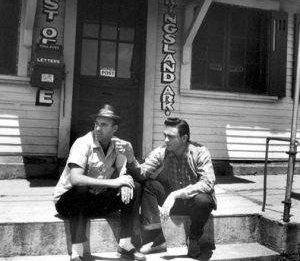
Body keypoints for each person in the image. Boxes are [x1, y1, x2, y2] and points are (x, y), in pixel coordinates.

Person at [53, 104, 145, 261]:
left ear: (114, 128)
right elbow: (76, 179)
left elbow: (125, 174)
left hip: (95, 201)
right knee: (81, 188)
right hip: (69, 202)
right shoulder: (82, 143)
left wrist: (128, 164)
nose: (98, 128)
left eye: (103, 125)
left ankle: (125, 244)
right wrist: (115, 183)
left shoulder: (118, 145)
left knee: (133, 187)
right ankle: (77, 252)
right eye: (96, 123)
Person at [117, 117, 217, 259]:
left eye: (170, 136)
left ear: (184, 138)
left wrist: (176, 194)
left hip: (194, 201)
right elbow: (142, 173)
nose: (165, 140)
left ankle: (194, 239)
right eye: (164, 136)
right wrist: (130, 157)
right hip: (174, 202)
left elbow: (207, 183)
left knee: (204, 201)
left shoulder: (200, 152)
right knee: (149, 185)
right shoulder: (162, 151)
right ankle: (156, 236)